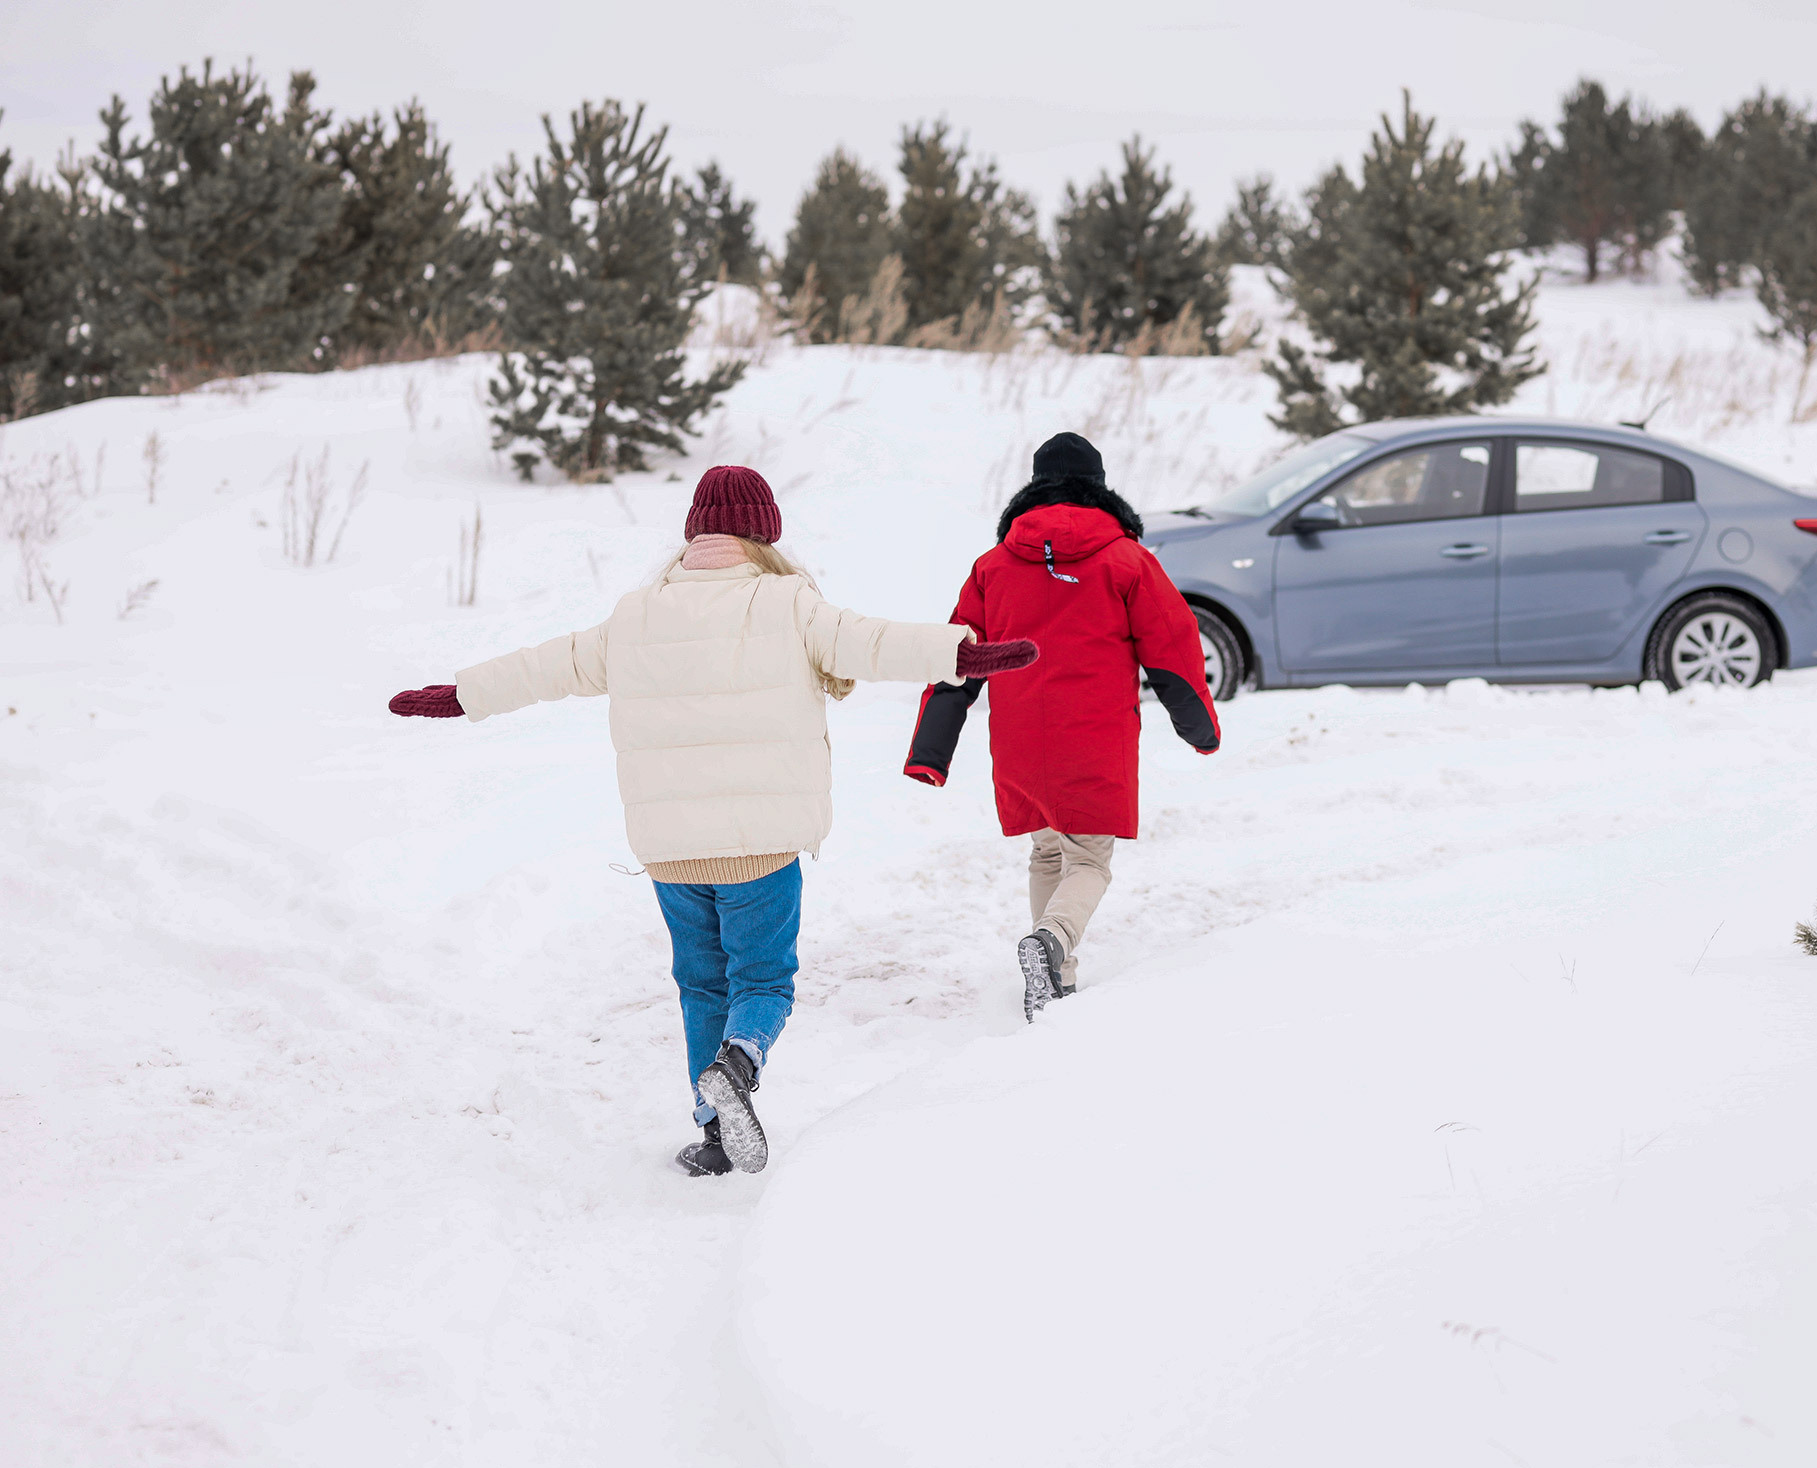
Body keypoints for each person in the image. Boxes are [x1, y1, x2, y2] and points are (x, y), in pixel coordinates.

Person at [386, 465, 1037, 1176]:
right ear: (765, 534)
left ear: (695, 532)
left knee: (701, 985)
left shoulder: (636, 615)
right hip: (760, 848)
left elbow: (548, 665)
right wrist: (960, 655)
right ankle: (743, 1057)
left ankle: (716, 1137)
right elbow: (872, 642)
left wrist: (460, 694)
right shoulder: (790, 603)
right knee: (761, 982)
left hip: (670, 853)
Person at [903, 432, 1220, 1019]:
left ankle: (1055, 983)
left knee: (1048, 854)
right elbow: (1173, 646)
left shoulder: (993, 567)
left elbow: (957, 654)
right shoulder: (1127, 560)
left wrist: (932, 748)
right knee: (1090, 861)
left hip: (1020, 739)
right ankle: (1052, 943)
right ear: (1098, 490)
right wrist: (1199, 727)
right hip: (1095, 737)